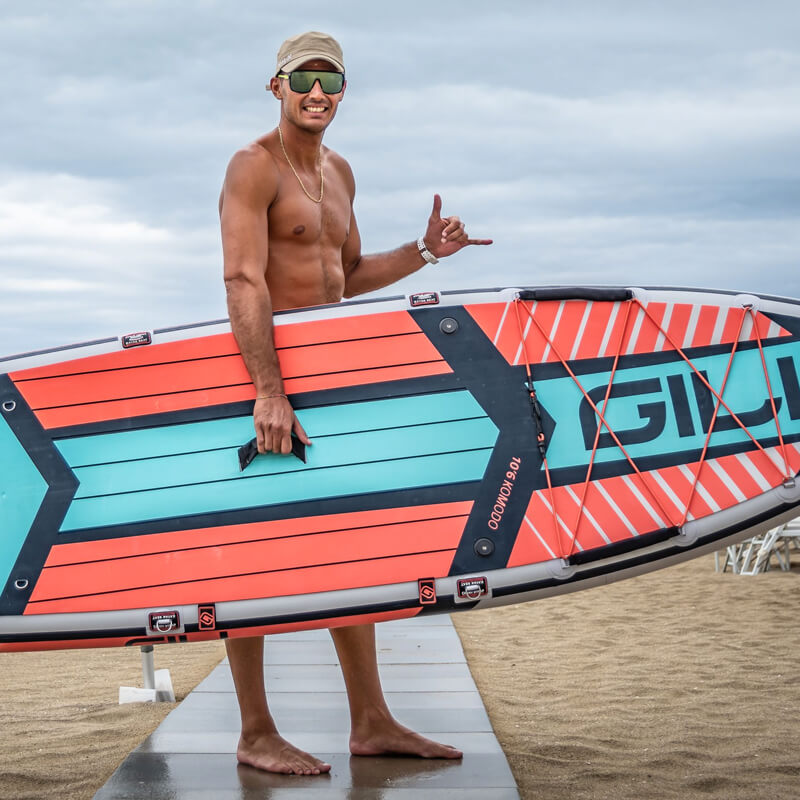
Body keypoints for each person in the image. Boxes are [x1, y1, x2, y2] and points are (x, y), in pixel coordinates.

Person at [218, 31, 493, 775]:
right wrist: (267, 392)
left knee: (348, 546)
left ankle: (371, 720)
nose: (318, 90)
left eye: (331, 79)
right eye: (304, 76)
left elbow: (349, 273)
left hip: (336, 378)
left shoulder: (340, 173)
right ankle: (254, 731)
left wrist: (427, 253)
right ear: (275, 85)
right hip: (268, 376)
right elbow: (244, 280)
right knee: (254, 549)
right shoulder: (252, 168)